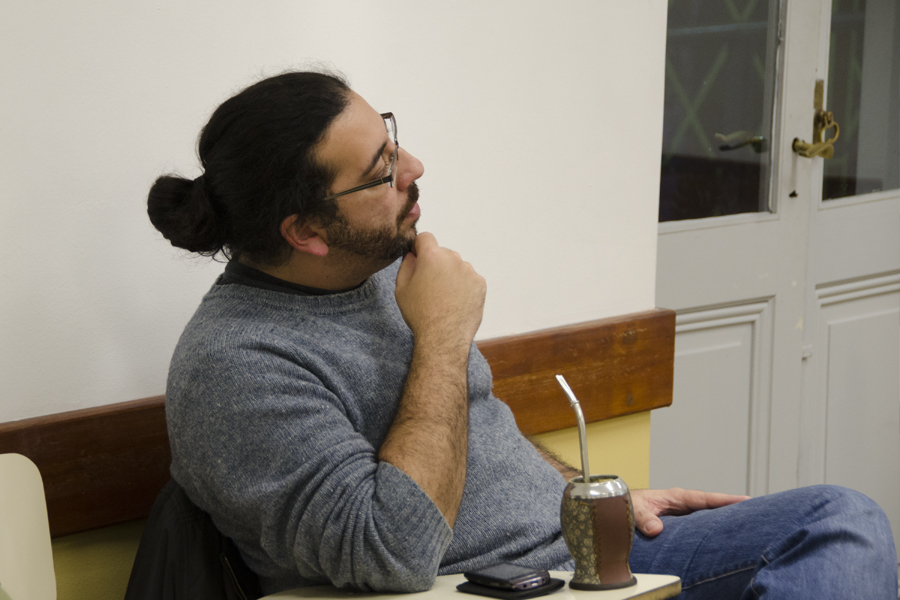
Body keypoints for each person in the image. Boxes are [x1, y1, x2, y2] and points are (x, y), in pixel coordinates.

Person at [148, 71, 898, 599]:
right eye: (381, 171)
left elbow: (474, 431)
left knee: (834, 521)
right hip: (490, 589)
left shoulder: (373, 272)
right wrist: (443, 337)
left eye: (393, 141)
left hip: (578, 553)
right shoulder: (235, 367)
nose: (414, 168)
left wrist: (588, 496)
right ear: (306, 231)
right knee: (838, 532)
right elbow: (391, 553)